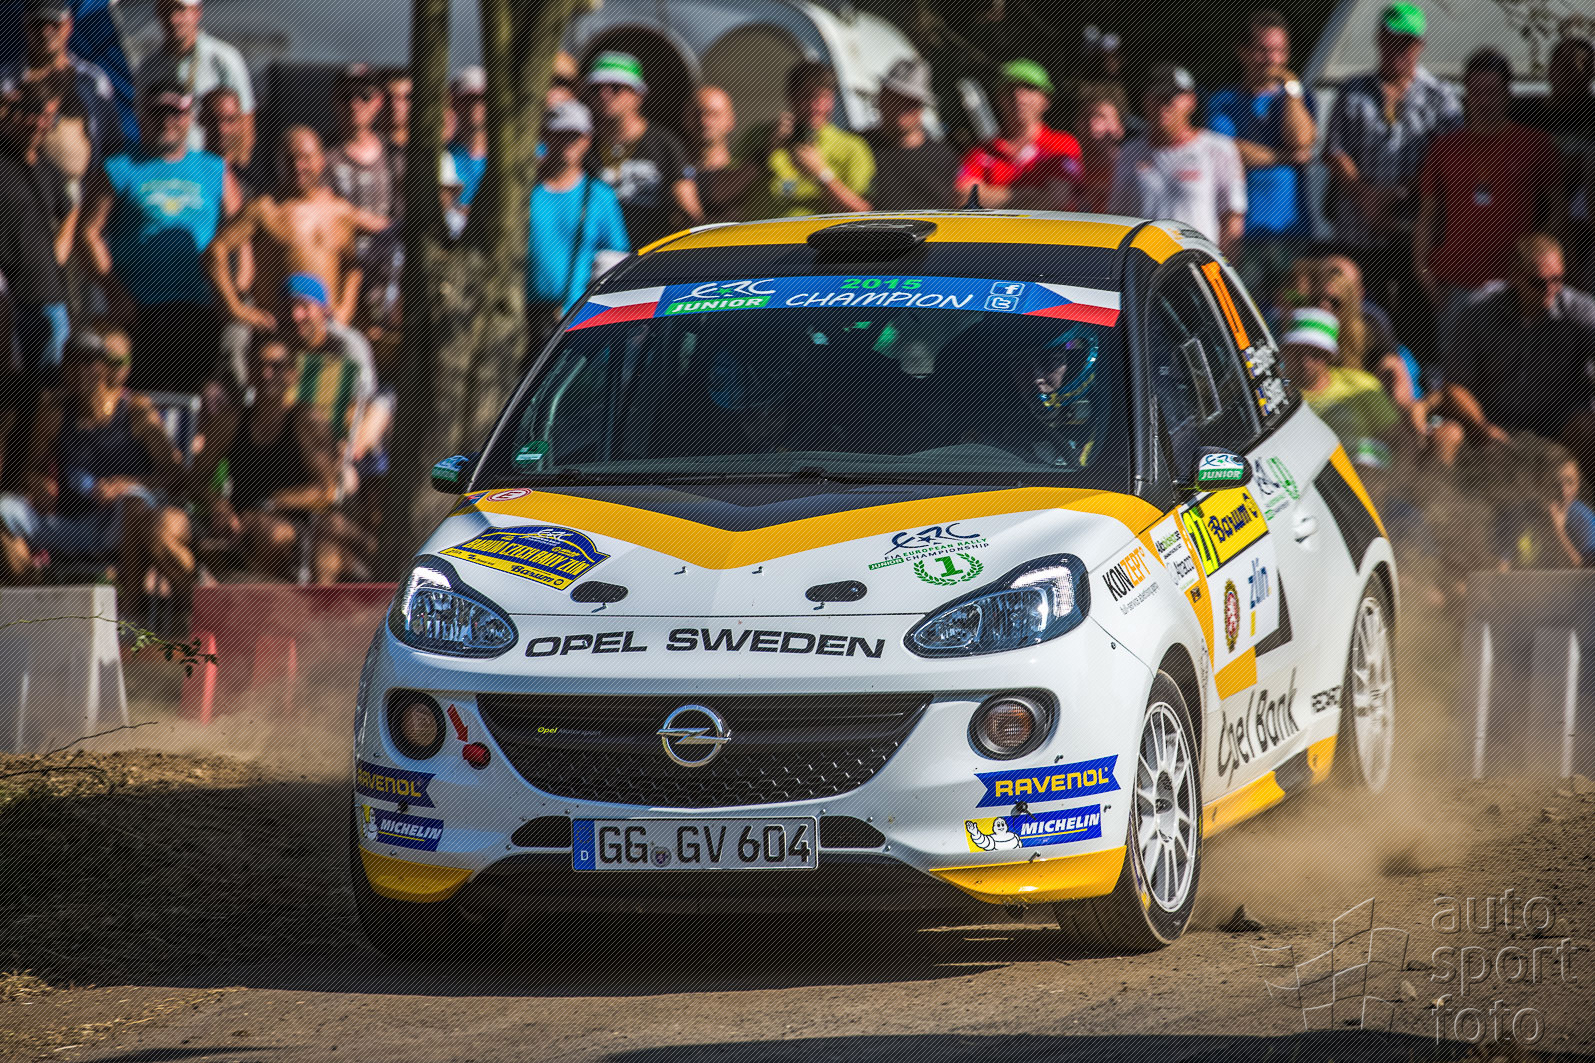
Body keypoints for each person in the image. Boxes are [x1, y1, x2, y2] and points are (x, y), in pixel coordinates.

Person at [0, 329, 192, 616]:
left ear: (103, 367)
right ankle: (36, 605)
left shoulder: (135, 411)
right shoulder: (55, 412)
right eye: (71, 362)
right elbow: (30, 471)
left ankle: (128, 614)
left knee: (134, 501)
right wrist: (39, 484)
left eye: (87, 362)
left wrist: (125, 483)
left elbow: (176, 476)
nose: (78, 371)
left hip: (117, 523)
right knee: (3, 510)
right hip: (66, 520)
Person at [79, 82, 239, 394]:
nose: (168, 121)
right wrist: (112, 291)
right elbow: (87, 232)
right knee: (141, 402)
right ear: (141, 116)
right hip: (138, 310)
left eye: (176, 113)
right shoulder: (119, 168)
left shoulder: (215, 169)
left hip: (201, 309)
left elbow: (241, 233)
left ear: (190, 117)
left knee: (195, 403)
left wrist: (234, 293)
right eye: (158, 112)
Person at [1322, 2, 1460, 356]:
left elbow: (1446, 160)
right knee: (1357, 322)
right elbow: (1335, 151)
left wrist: (1396, 194)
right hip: (1356, 233)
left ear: (1420, 45)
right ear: (1378, 39)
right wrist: (1365, 196)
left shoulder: (1441, 97)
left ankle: (1411, 381)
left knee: (1413, 324)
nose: (1397, 49)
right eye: (1390, 39)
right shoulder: (1352, 91)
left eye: (1406, 42)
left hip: (1414, 236)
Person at [1414, 49, 1561, 349]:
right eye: (1477, 92)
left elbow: (1558, 213)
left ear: (1508, 95)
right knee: (1457, 374)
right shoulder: (1444, 148)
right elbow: (1426, 217)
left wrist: (1540, 275)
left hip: (1515, 288)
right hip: (1454, 286)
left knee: (1514, 373)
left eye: (1492, 92)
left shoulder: (1535, 144)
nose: (1484, 101)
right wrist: (1424, 273)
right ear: (1466, 96)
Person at [205, 125, 388, 334]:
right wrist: (234, 309)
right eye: (289, 158)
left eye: (305, 158)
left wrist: (344, 309)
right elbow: (215, 251)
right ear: (279, 162)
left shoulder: (340, 212)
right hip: (274, 330)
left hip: (326, 331)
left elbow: (353, 266)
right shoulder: (265, 209)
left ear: (321, 160)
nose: (297, 166)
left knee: (357, 349)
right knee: (234, 340)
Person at [1436, 234, 1595, 463]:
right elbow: (1454, 385)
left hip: (1556, 430)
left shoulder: (1582, 313)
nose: (1550, 289)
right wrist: (1481, 427)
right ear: (1516, 276)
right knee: (1446, 435)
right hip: (1489, 425)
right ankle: (1433, 487)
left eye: (1558, 279)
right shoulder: (1479, 311)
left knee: (1587, 429)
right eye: (1538, 282)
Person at [193, 334, 339, 582]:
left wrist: (270, 504)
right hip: (236, 521)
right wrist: (217, 503)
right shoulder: (232, 421)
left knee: (272, 534)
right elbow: (196, 478)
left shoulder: (307, 420)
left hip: (293, 522)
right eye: (259, 365)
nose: (267, 374)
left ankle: (263, 600)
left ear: (292, 375)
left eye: (276, 367)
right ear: (249, 372)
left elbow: (327, 491)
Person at [1205, 9, 1318, 293]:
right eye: (1264, 50)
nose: (1273, 59)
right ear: (1242, 52)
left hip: (1291, 232)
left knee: (1289, 310)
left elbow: (1301, 140)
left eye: (1280, 51)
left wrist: (1291, 88)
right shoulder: (1223, 101)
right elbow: (1229, 152)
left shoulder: (1299, 98)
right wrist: (1285, 157)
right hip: (1242, 234)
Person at [1108, 64, 1246, 259]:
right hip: (1144, 268)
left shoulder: (1218, 149)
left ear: (1191, 101)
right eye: (1156, 97)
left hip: (1196, 266)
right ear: (1146, 101)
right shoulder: (1130, 152)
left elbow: (1232, 218)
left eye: (1170, 98)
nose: (1163, 106)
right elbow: (1118, 217)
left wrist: (1221, 268)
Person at [525, 100, 628, 341]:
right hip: (519, 318)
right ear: (545, 136)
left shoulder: (599, 196)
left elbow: (616, 260)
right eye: (560, 135)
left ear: (587, 140)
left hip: (575, 321)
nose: (567, 143)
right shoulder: (523, 192)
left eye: (574, 136)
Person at [582, 51, 699, 248]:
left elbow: (688, 210)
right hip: (595, 255)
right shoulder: (581, 144)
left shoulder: (665, 143)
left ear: (638, 95)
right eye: (596, 88)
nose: (604, 95)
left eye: (615, 87)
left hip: (650, 257)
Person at [0, 82, 75, 387]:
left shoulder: (46, 167)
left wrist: (59, 251)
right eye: (32, 113)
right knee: (10, 387)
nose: (40, 124)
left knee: (48, 388)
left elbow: (70, 208)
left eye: (48, 117)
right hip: (8, 297)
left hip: (48, 296)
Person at [0, 0, 122, 182]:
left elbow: (111, 146)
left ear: (68, 25)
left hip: (79, 188)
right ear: (26, 25)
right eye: (38, 23)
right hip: (18, 186)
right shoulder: (6, 81)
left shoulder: (92, 81)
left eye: (54, 23)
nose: (46, 31)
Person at [739, 60, 873, 219]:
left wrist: (821, 175)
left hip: (816, 236)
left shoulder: (852, 147)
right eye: (807, 96)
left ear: (833, 99)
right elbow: (723, 194)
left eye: (824, 97)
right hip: (759, 235)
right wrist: (766, 151)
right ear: (791, 97)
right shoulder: (760, 135)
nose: (815, 106)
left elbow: (863, 215)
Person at [1513, 35, 1595, 290]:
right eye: (1563, 67)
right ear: (1550, 70)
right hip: (1533, 209)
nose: (1571, 76)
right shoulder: (1524, 111)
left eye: (1580, 69)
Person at [1277, 307, 1402, 459]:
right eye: (1297, 351)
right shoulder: (1275, 395)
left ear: (1329, 356)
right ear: (1285, 351)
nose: (1306, 361)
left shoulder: (1363, 386)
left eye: (1316, 353)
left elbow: (1396, 440)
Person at [954, 59, 1081, 209]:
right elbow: (961, 198)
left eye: (1029, 88)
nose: (1018, 96)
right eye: (1010, 89)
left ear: (1046, 99)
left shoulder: (1063, 143)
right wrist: (1029, 195)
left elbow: (1057, 199)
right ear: (999, 98)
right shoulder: (980, 152)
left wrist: (989, 196)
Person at [135, 0, 255, 157]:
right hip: (164, 165)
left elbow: (244, 127)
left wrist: (234, 169)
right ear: (157, 12)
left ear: (197, 11)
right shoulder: (148, 66)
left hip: (210, 166)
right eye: (167, 9)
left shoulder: (224, 59)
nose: (174, 18)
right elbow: (143, 125)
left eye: (181, 10)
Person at [865, 59, 959, 212]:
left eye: (911, 101)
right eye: (895, 98)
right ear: (881, 98)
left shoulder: (943, 157)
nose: (902, 107)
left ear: (921, 107)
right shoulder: (856, 145)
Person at [325, 65, 398, 254]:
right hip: (338, 262)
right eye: (347, 96)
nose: (355, 103)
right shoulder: (319, 156)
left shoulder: (396, 155)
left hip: (388, 263)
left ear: (378, 101)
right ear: (334, 100)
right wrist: (375, 224)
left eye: (364, 95)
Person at [1494, 440, 1595, 569]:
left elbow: (1587, 576)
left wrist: (1557, 532)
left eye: (1570, 482)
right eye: (1555, 483)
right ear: (1539, 482)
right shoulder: (1516, 515)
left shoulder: (1585, 519)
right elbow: (1500, 571)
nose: (1563, 491)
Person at [686, 85, 755, 224]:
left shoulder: (748, 171)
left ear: (730, 120)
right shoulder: (671, 171)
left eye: (713, 114)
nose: (704, 121)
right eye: (697, 113)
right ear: (686, 118)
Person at [1073, 90, 1124, 214]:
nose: (1092, 124)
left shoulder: (1133, 168)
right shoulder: (1064, 162)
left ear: (1119, 127)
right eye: (1086, 117)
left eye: (1101, 117)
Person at [445, 66, 488, 208]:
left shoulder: (515, 156)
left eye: (485, 99)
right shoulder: (443, 157)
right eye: (469, 100)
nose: (477, 106)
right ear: (455, 104)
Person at [198, 85, 251, 183]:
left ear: (241, 121)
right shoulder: (189, 172)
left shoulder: (262, 173)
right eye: (213, 120)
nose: (222, 129)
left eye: (230, 120)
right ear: (201, 120)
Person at [379, 67, 411, 185]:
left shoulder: (426, 151)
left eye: (407, 97)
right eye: (389, 97)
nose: (396, 105)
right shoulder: (367, 150)